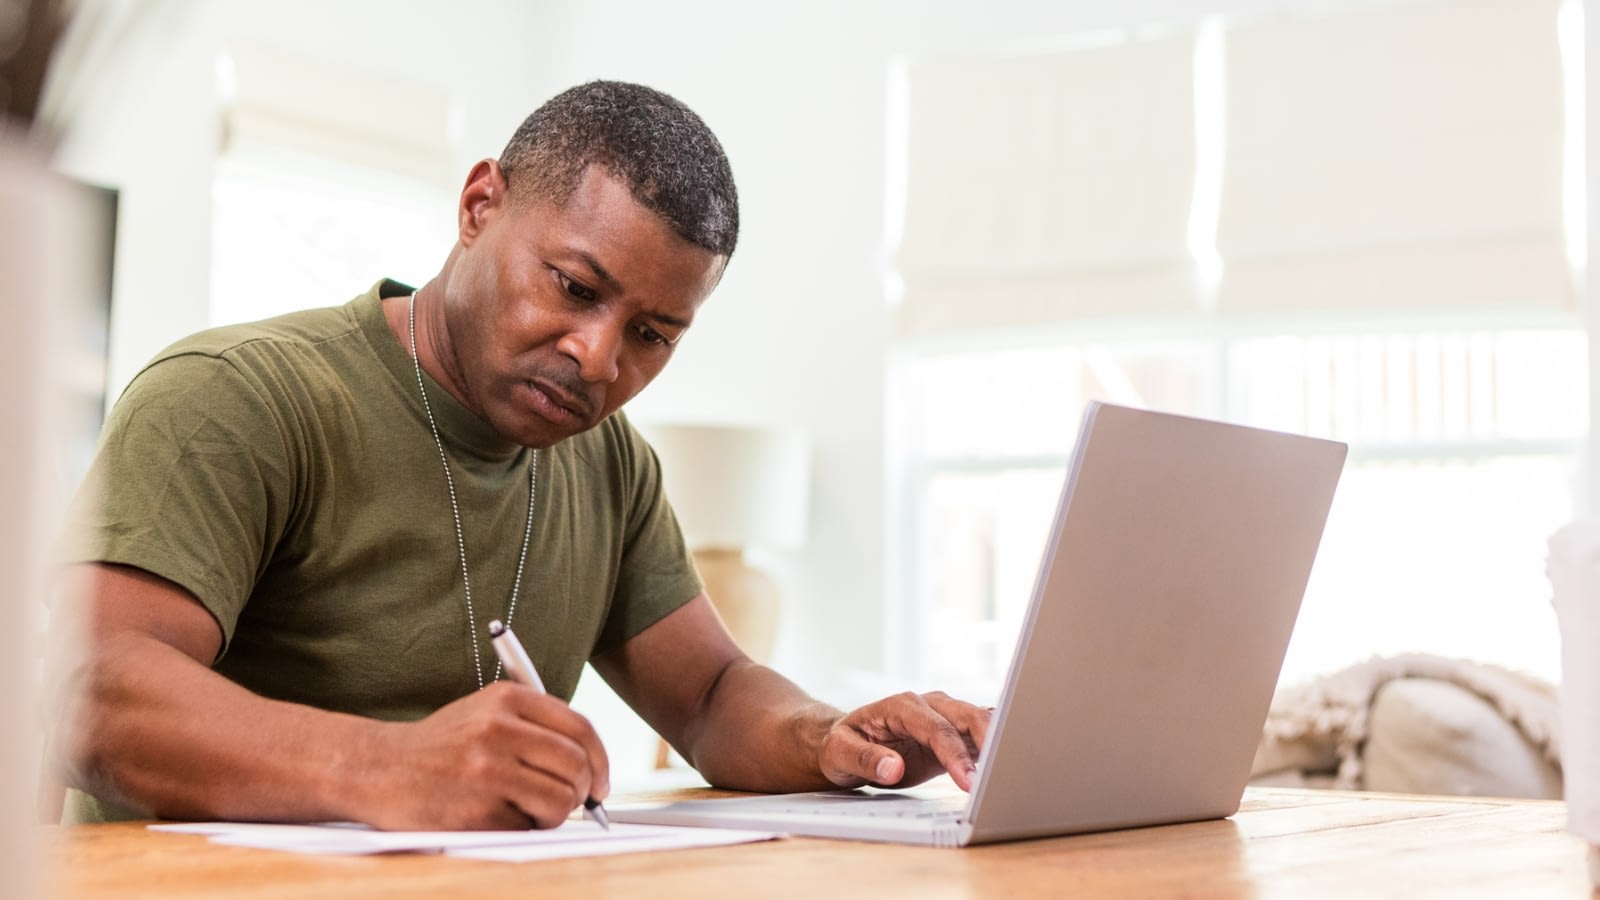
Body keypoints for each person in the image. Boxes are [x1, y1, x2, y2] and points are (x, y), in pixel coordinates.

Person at [47, 80, 991, 830]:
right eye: (575, 286)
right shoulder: (237, 397)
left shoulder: (608, 460)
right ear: (478, 205)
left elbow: (707, 695)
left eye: (654, 334)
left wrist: (829, 737)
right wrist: (391, 766)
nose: (599, 357)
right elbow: (91, 693)